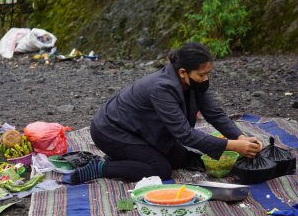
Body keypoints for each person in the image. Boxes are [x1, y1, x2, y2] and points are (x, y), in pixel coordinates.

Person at [70, 42, 263, 184]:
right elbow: (185, 134)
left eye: (208, 73)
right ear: (182, 73)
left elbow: (215, 114)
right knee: (160, 169)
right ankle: (101, 167)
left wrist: (242, 137)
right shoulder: (161, 89)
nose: (206, 79)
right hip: (111, 131)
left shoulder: (195, 84)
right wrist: (233, 146)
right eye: (202, 75)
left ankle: (127, 157)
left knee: (180, 157)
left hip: (142, 129)